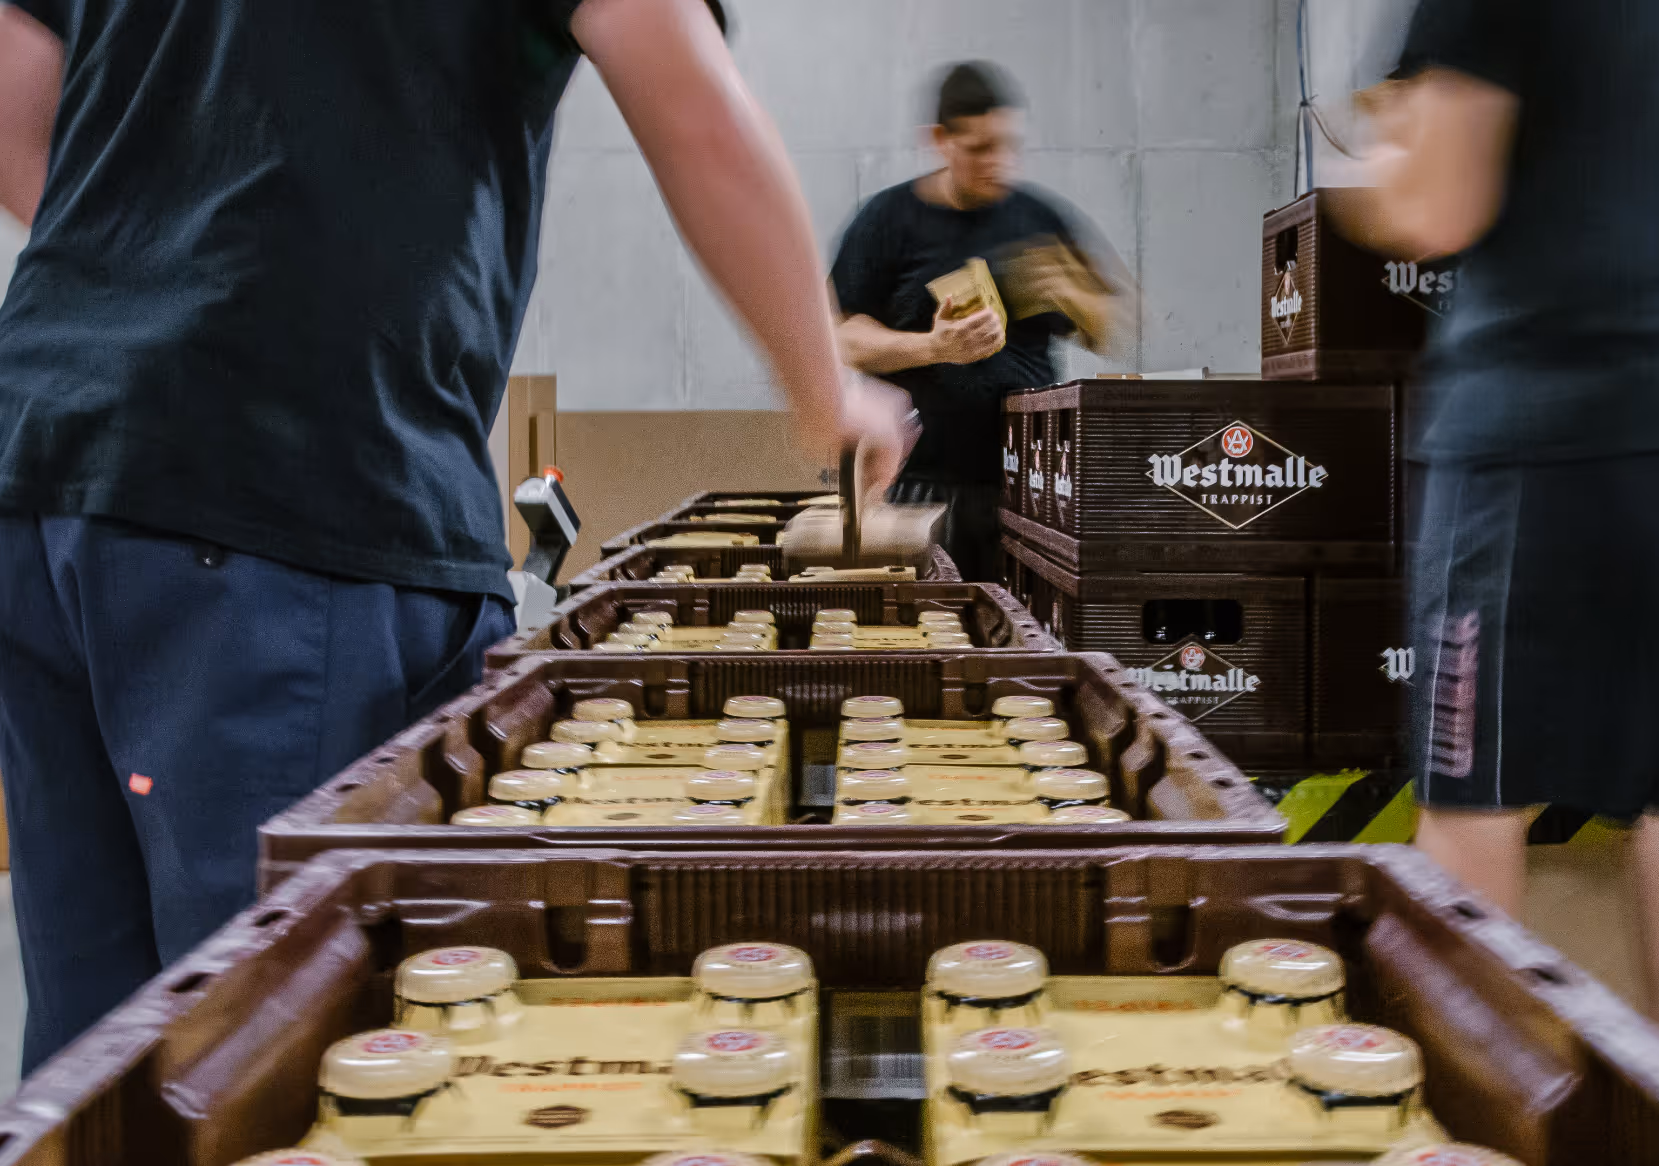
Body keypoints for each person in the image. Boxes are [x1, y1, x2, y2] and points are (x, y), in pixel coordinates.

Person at [0, 0, 910, 1072]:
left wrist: (154, 263)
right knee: (281, 1049)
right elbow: (694, 108)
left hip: (46, 463)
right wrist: (822, 388)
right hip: (289, 494)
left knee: (102, 1045)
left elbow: (17, 89)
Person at [1333, 0, 1659, 1071]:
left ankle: (1473, 1134)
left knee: (1474, 808)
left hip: (1544, 429)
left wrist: (1382, 147)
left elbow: (1432, 205)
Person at [831, 62, 1132, 582]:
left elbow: (1112, 328)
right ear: (940, 140)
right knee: (923, 634)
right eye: (979, 148)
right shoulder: (887, 221)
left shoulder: (1039, 218)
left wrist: (1072, 295)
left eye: (1008, 145)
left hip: (1027, 482)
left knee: (1026, 636)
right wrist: (935, 346)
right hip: (912, 481)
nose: (999, 162)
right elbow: (841, 340)